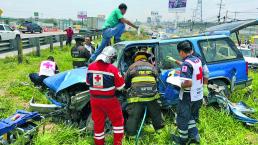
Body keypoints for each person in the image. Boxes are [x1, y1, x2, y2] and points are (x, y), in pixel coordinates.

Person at [86, 46, 125, 145]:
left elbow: (87, 83)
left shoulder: (90, 67)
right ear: (110, 57)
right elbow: (121, 87)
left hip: (95, 101)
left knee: (98, 124)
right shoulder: (112, 69)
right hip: (110, 101)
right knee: (118, 121)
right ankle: (117, 142)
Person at [124, 51, 164, 137]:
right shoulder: (152, 67)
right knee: (156, 113)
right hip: (151, 97)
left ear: (136, 59)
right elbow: (157, 79)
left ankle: (131, 135)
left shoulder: (132, 67)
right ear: (146, 59)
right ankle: (160, 131)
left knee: (133, 116)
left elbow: (126, 82)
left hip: (137, 98)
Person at [171, 41, 203, 145]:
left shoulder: (186, 63)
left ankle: (182, 140)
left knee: (182, 118)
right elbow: (193, 73)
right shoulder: (197, 60)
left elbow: (188, 83)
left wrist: (177, 84)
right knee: (191, 117)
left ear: (181, 52)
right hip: (198, 95)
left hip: (188, 96)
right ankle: (194, 136)